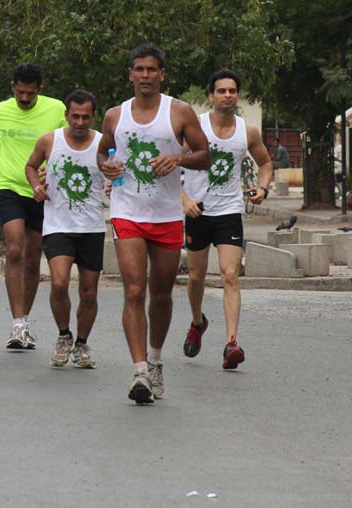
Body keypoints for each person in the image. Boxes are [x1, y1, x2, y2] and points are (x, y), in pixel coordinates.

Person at [97, 43, 211, 403]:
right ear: (129, 74)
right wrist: (106, 165)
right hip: (127, 210)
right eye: (139, 70)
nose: (145, 76)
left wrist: (177, 159)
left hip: (165, 215)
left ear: (162, 74)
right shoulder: (116, 115)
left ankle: (157, 359)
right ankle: (140, 371)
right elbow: (103, 150)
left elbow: (205, 155)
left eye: (151, 70)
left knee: (160, 293)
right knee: (133, 289)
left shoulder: (179, 111)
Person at [181, 69, 273, 370]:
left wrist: (262, 187)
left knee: (230, 274)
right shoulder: (195, 127)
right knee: (196, 276)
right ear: (211, 96)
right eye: (221, 91)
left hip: (229, 211)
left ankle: (231, 343)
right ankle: (198, 322)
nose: (227, 95)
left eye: (232, 91)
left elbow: (264, 162)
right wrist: (185, 201)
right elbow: (170, 166)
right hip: (198, 211)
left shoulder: (247, 131)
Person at [0, 63, 66, 349]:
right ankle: (17, 324)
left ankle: (24, 319)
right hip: (8, 186)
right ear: (13, 87)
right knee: (14, 248)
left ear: (40, 89)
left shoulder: (56, 109)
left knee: (32, 256)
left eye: (30, 93)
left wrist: (52, 170)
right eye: (20, 92)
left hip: (42, 191)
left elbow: (67, 144)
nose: (24, 98)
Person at [25, 90, 105, 369]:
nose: (80, 122)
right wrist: (36, 187)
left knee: (89, 291)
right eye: (75, 116)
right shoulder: (50, 140)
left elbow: (117, 173)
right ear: (66, 116)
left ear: (93, 116)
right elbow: (31, 166)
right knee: (59, 282)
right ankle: (63, 335)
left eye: (85, 117)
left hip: (92, 226)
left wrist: (113, 183)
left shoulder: (104, 144)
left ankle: (81, 343)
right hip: (58, 224)